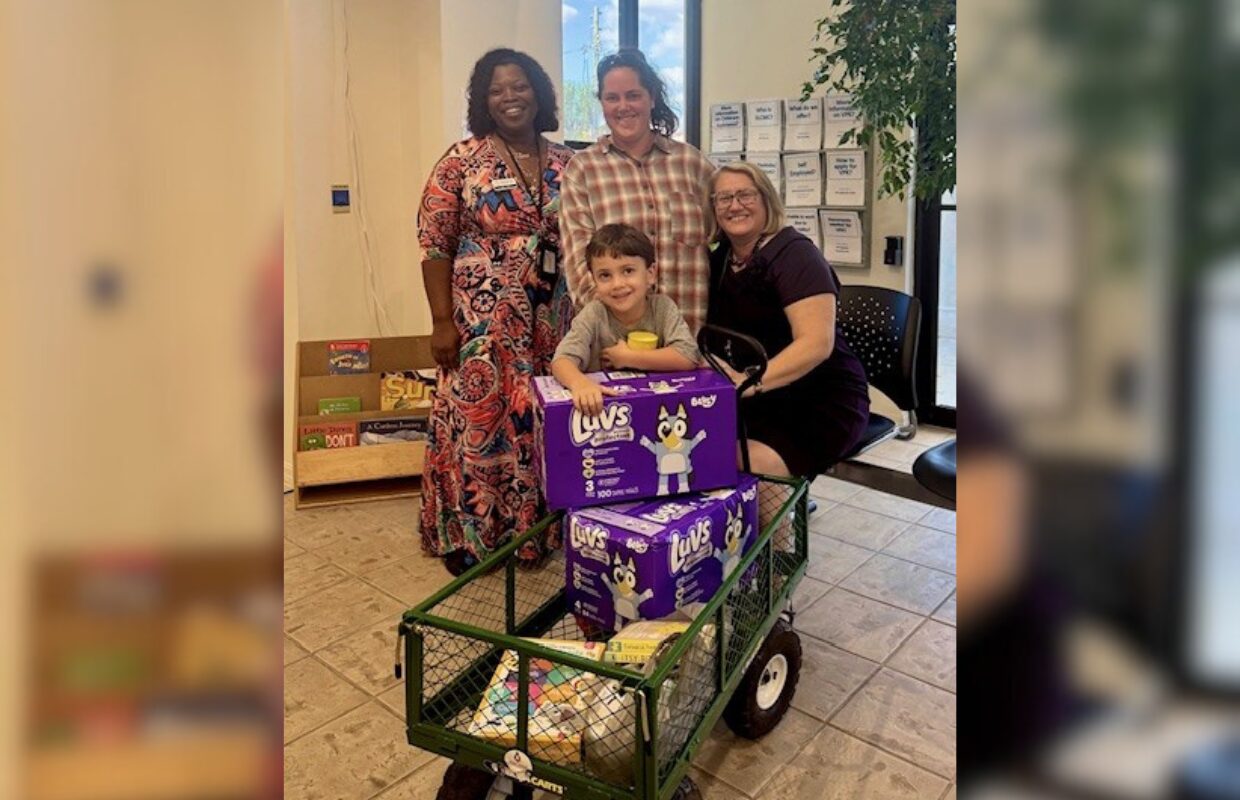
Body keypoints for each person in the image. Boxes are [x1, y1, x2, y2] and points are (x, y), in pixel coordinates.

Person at [417, 48, 575, 575]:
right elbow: (434, 246)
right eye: (497, 90)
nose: (510, 97)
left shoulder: (567, 163)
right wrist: (442, 322)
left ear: (539, 92)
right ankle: (471, 537)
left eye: (520, 85)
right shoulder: (461, 160)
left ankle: (533, 534)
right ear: (482, 101)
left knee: (539, 422)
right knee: (478, 422)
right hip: (480, 324)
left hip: (551, 323)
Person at [705, 162, 870, 477]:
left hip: (818, 397)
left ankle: (779, 510)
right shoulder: (721, 258)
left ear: (767, 200)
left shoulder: (795, 254)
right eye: (724, 198)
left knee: (744, 459)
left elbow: (817, 344)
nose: (735, 206)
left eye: (745, 195)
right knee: (698, 445)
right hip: (758, 395)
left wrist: (749, 382)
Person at [560, 48, 716, 334]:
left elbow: (727, 241)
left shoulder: (693, 164)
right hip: (619, 345)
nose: (623, 106)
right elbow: (579, 268)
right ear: (602, 103)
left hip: (693, 341)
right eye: (612, 98)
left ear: (651, 98)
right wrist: (621, 337)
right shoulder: (582, 170)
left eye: (633, 95)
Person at [551, 224, 699, 416]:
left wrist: (628, 357)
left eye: (628, 271)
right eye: (605, 275)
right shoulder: (594, 314)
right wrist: (580, 384)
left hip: (656, 410)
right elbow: (561, 361)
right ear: (594, 280)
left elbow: (688, 356)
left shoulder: (663, 308)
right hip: (604, 414)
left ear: (650, 274)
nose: (618, 284)